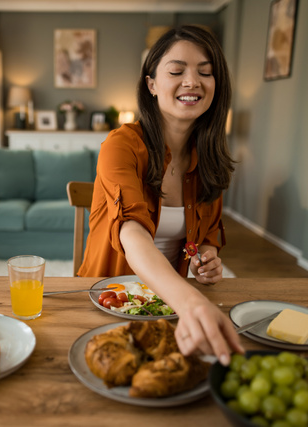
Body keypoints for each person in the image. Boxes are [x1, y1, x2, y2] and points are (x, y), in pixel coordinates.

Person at [78, 25, 244, 365]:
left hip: (168, 306)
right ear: (152, 84)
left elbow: (206, 236)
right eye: (176, 71)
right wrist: (191, 302)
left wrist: (207, 259)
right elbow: (132, 232)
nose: (192, 82)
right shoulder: (120, 145)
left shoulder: (209, 155)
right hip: (110, 302)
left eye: (206, 72)